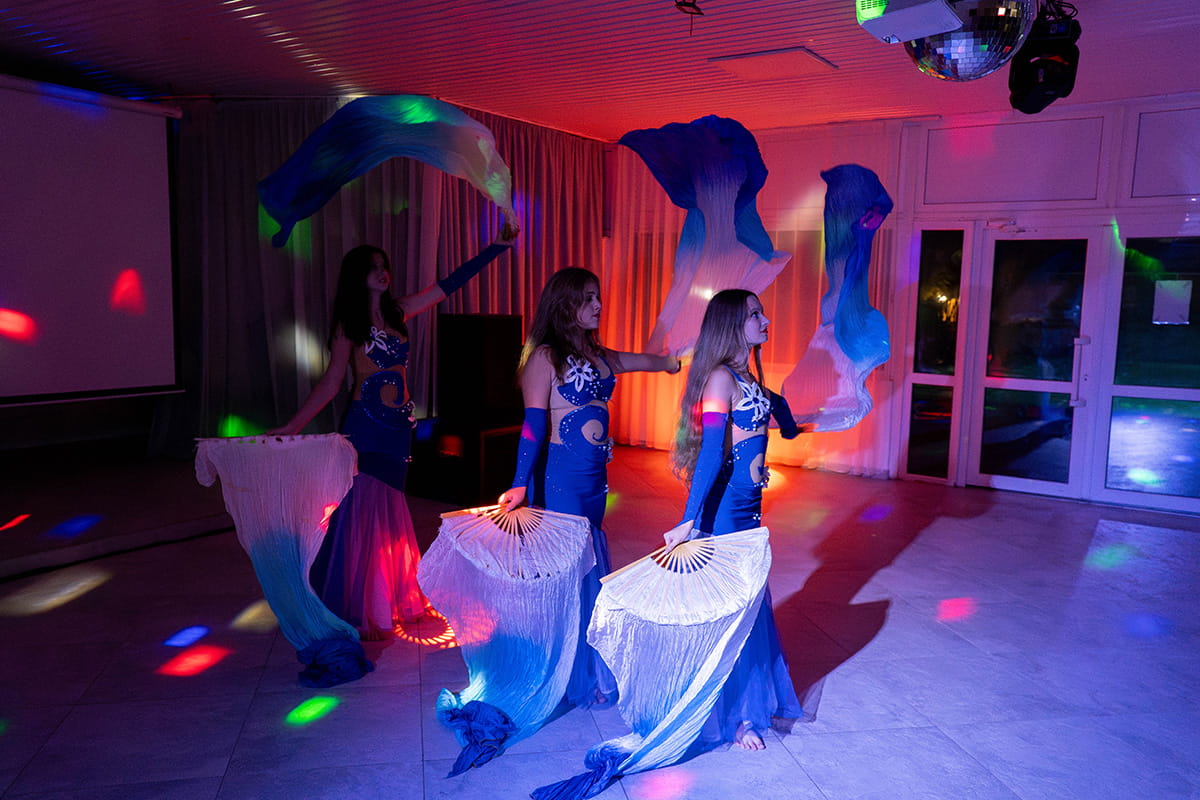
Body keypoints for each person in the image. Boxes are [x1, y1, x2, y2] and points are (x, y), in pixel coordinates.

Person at [269, 224, 518, 639]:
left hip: (398, 429)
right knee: (361, 514)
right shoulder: (348, 325)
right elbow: (332, 382)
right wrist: (294, 425)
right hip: (365, 427)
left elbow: (446, 286)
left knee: (389, 514)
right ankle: (358, 604)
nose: (382, 272)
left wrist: (496, 248)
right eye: (373, 268)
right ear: (357, 275)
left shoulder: (398, 312)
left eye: (384, 266)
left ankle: (384, 598)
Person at [498, 266, 680, 706]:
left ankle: (587, 665)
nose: (598, 305)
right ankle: (560, 670)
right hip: (560, 480)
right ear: (565, 305)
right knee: (568, 574)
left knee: (589, 569)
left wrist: (672, 362)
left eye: (598, 296)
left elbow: (642, 361)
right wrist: (519, 484)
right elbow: (533, 426)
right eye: (588, 298)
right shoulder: (543, 358)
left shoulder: (599, 355)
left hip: (596, 481)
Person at [663, 288, 808, 750]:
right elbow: (711, 452)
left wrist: (791, 424)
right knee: (733, 613)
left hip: (749, 512)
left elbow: (773, 402)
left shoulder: (748, 379)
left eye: (762, 312)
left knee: (748, 607)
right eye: (754, 314)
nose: (766, 321)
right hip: (724, 514)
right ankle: (738, 717)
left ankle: (746, 706)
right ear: (731, 325)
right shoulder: (720, 380)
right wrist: (689, 520)